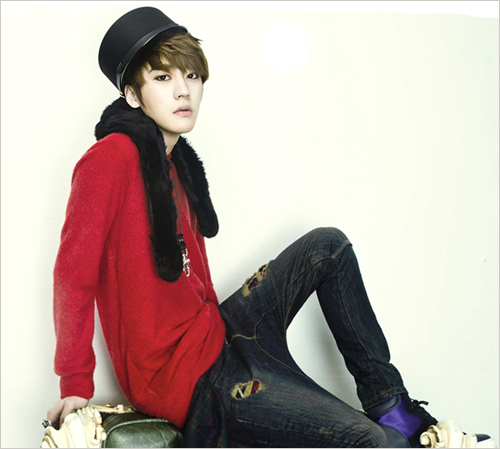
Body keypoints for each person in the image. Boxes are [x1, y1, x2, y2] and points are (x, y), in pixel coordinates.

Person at [47, 7, 494, 448]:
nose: (183, 91)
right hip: (183, 379)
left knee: (328, 246)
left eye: (192, 76)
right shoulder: (110, 158)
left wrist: (219, 329)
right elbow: (73, 273)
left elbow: (195, 275)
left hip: (217, 334)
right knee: (368, 441)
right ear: (132, 94)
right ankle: (392, 435)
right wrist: (74, 382)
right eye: (163, 78)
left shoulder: (177, 164)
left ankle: (393, 406)